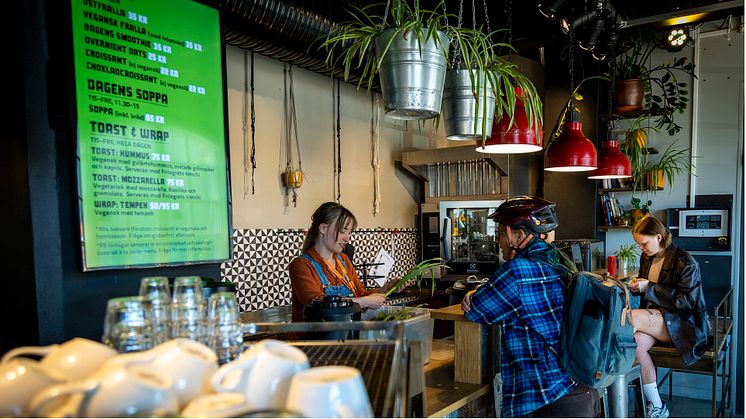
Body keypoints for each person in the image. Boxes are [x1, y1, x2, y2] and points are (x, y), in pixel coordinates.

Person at [461, 196, 599, 418]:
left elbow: (476, 310)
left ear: (518, 234)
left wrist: (470, 294)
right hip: (580, 390)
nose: (499, 242)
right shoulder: (561, 261)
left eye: (500, 233)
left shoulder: (518, 271)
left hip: (548, 398)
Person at [628, 215, 709, 419]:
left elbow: (687, 302)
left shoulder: (685, 261)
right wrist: (638, 286)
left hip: (682, 322)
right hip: (657, 320)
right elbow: (648, 290)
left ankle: (611, 381)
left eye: (644, 243)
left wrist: (649, 287)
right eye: (638, 244)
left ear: (658, 237)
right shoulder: (647, 257)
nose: (641, 248)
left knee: (629, 319)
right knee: (636, 343)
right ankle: (656, 405)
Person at [288, 202, 387, 321]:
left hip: (345, 334)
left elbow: (360, 293)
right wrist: (365, 302)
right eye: (342, 231)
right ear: (323, 229)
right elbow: (318, 305)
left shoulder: (343, 260)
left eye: (349, 232)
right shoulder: (301, 265)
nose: (347, 238)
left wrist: (387, 288)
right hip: (313, 338)